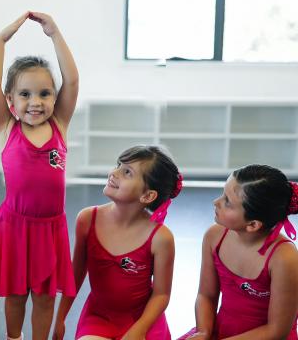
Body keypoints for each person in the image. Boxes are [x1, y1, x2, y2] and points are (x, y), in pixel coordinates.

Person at [0, 11, 79, 340]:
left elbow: (73, 81)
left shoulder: (59, 126)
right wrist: (0, 40)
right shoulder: (8, 128)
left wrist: (55, 34)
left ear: (55, 97)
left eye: (44, 93)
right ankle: (14, 338)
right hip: (15, 225)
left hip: (49, 228)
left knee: (43, 296)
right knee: (16, 296)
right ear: (11, 100)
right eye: (25, 94)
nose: (35, 102)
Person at [54, 145, 181, 340]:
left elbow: (161, 295)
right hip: (99, 318)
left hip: (143, 320)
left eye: (127, 172)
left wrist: (139, 330)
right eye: (118, 165)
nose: (114, 173)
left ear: (147, 196)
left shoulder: (160, 238)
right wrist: (60, 317)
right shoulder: (87, 219)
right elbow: (76, 272)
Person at [179, 164, 298, 339]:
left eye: (227, 201)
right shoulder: (215, 236)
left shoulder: (284, 258)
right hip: (220, 331)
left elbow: (277, 330)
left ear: (253, 224)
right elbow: (206, 294)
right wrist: (203, 331)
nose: (216, 202)